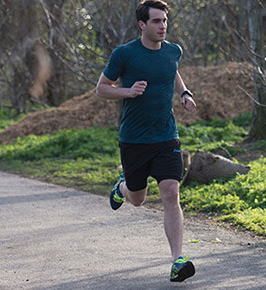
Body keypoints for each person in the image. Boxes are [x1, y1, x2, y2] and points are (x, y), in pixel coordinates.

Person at [95, 0, 197, 283]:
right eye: (156, 21)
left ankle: (177, 260)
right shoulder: (125, 54)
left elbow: (172, 70)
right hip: (135, 140)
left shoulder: (173, 51)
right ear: (142, 24)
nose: (162, 26)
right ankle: (123, 187)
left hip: (166, 136)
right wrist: (127, 91)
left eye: (164, 20)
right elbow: (101, 88)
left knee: (170, 192)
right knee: (138, 200)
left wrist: (184, 93)